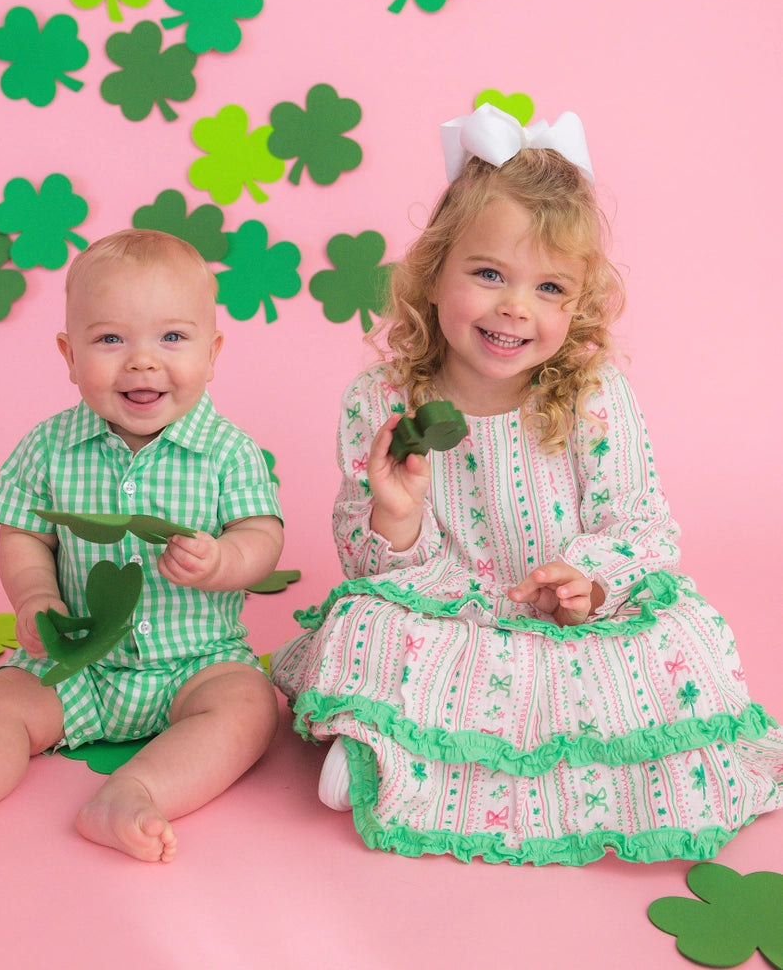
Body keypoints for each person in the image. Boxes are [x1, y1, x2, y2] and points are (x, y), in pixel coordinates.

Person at [270, 104, 783, 864]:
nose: (516, 307)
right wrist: (397, 512)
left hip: (577, 630)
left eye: (549, 288)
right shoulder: (383, 401)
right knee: (362, 625)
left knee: (686, 641)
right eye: (488, 275)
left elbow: (641, 525)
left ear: (575, 306)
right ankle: (390, 749)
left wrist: (589, 583)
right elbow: (375, 572)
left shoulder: (590, 396)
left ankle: (578, 767)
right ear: (434, 272)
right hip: (451, 622)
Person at [0, 229, 283, 862]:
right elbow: (22, 534)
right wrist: (37, 597)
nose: (141, 361)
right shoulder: (47, 447)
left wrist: (223, 561)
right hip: (76, 659)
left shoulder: (229, 452)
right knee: (1, 701)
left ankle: (133, 792)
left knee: (248, 708)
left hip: (193, 663)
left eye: (172, 338)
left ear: (212, 353)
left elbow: (262, 535)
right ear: (68, 355)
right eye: (109, 339)